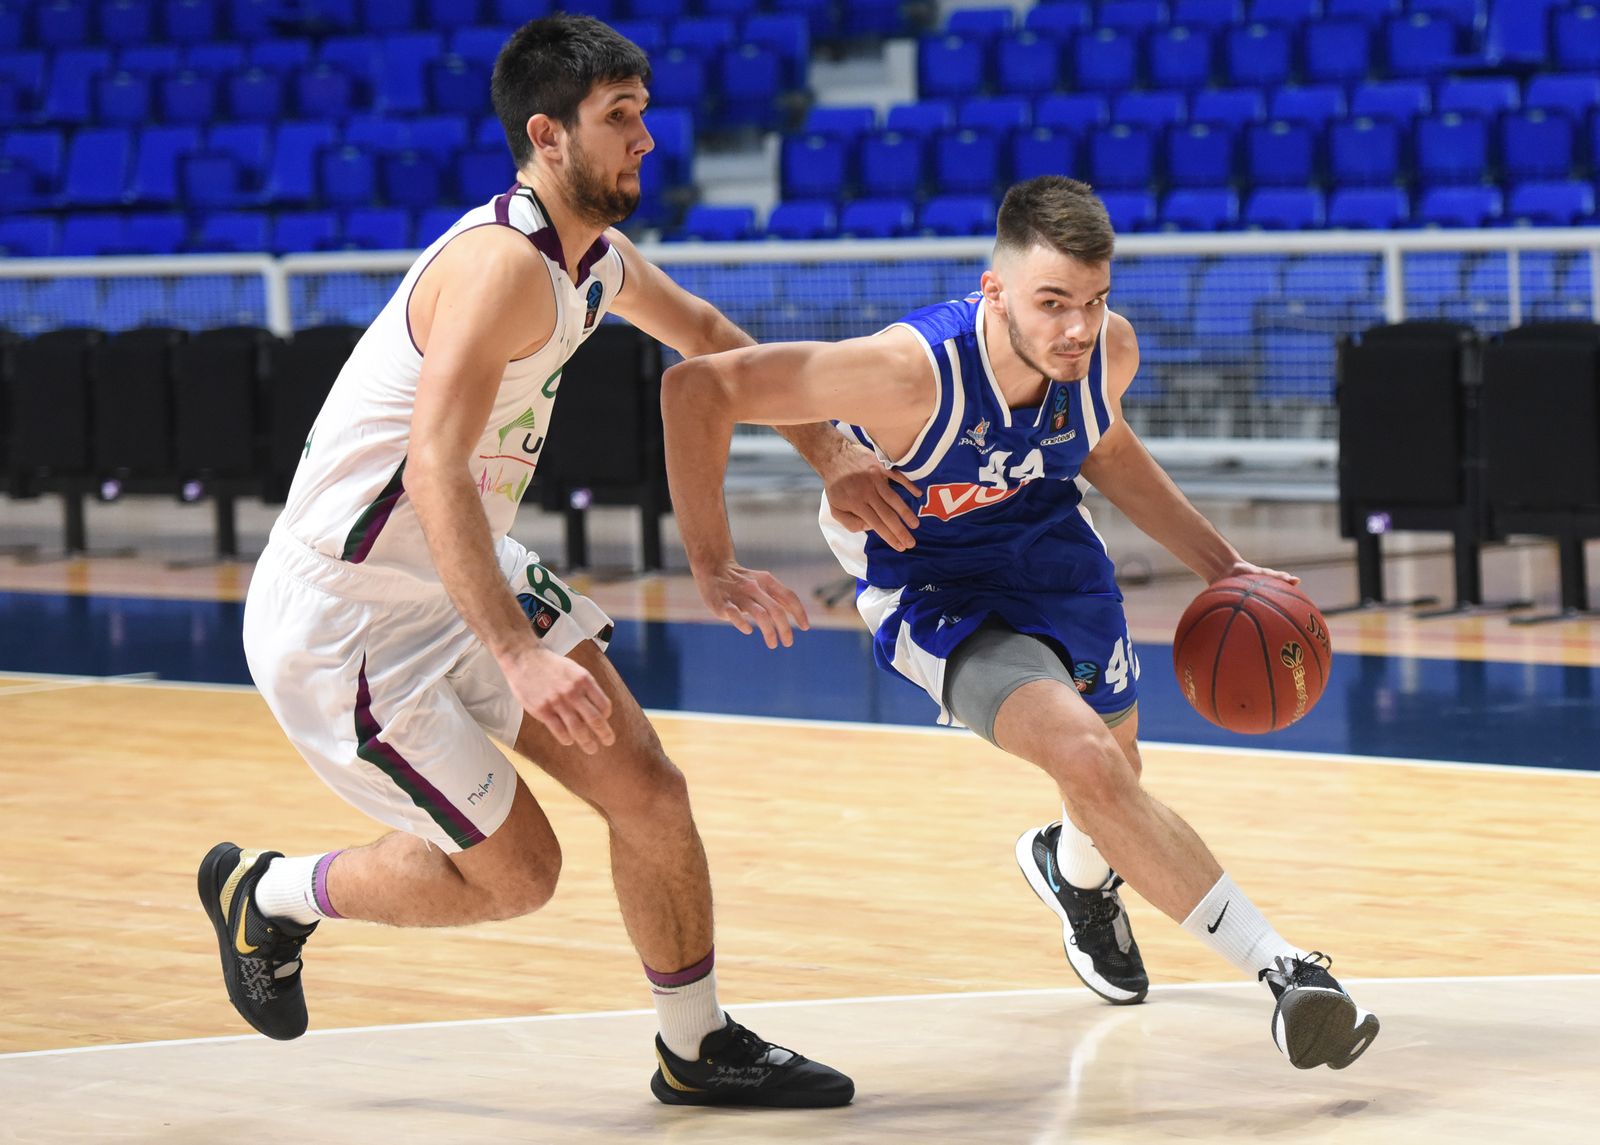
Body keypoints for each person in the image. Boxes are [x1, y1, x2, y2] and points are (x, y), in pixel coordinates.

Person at [200, 15, 906, 1108]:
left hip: (462, 566)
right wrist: (518, 654)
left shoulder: (594, 262)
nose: (646, 138)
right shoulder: (497, 265)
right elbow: (434, 468)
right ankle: (274, 893)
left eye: (644, 113)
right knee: (519, 876)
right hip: (349, 619)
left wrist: (829, 451)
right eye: (619, 116)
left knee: (649, 791)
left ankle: (695, 1044)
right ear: (547, 134)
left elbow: (711, 338)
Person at [658, 175, 1381, 1071]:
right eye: (1052, 302)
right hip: (931, 580)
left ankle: (1074, 877)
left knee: (1116, 772)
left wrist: (1221, 564)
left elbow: (1105, 446)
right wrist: (714, 559)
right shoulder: (908, 371)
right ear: (995, 292)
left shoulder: (1108, 351)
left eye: (1094, 299)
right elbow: (696, 389)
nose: (1078, 327)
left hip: (1048, 551)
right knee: (1085, 756)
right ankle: (1286, 970)